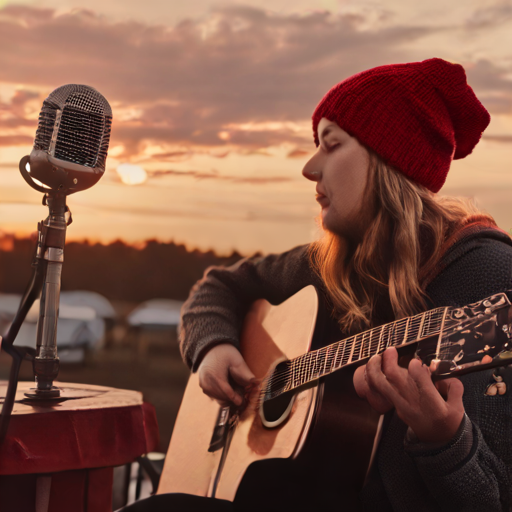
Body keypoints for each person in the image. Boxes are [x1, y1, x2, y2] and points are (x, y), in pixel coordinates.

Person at [125, 58, 512, 511]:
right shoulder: (329, 265)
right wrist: (213, 346)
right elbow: (220, 286)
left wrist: (445, 440)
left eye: (332, 145)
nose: (310, 168)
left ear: (386, 159)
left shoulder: (488, 280)